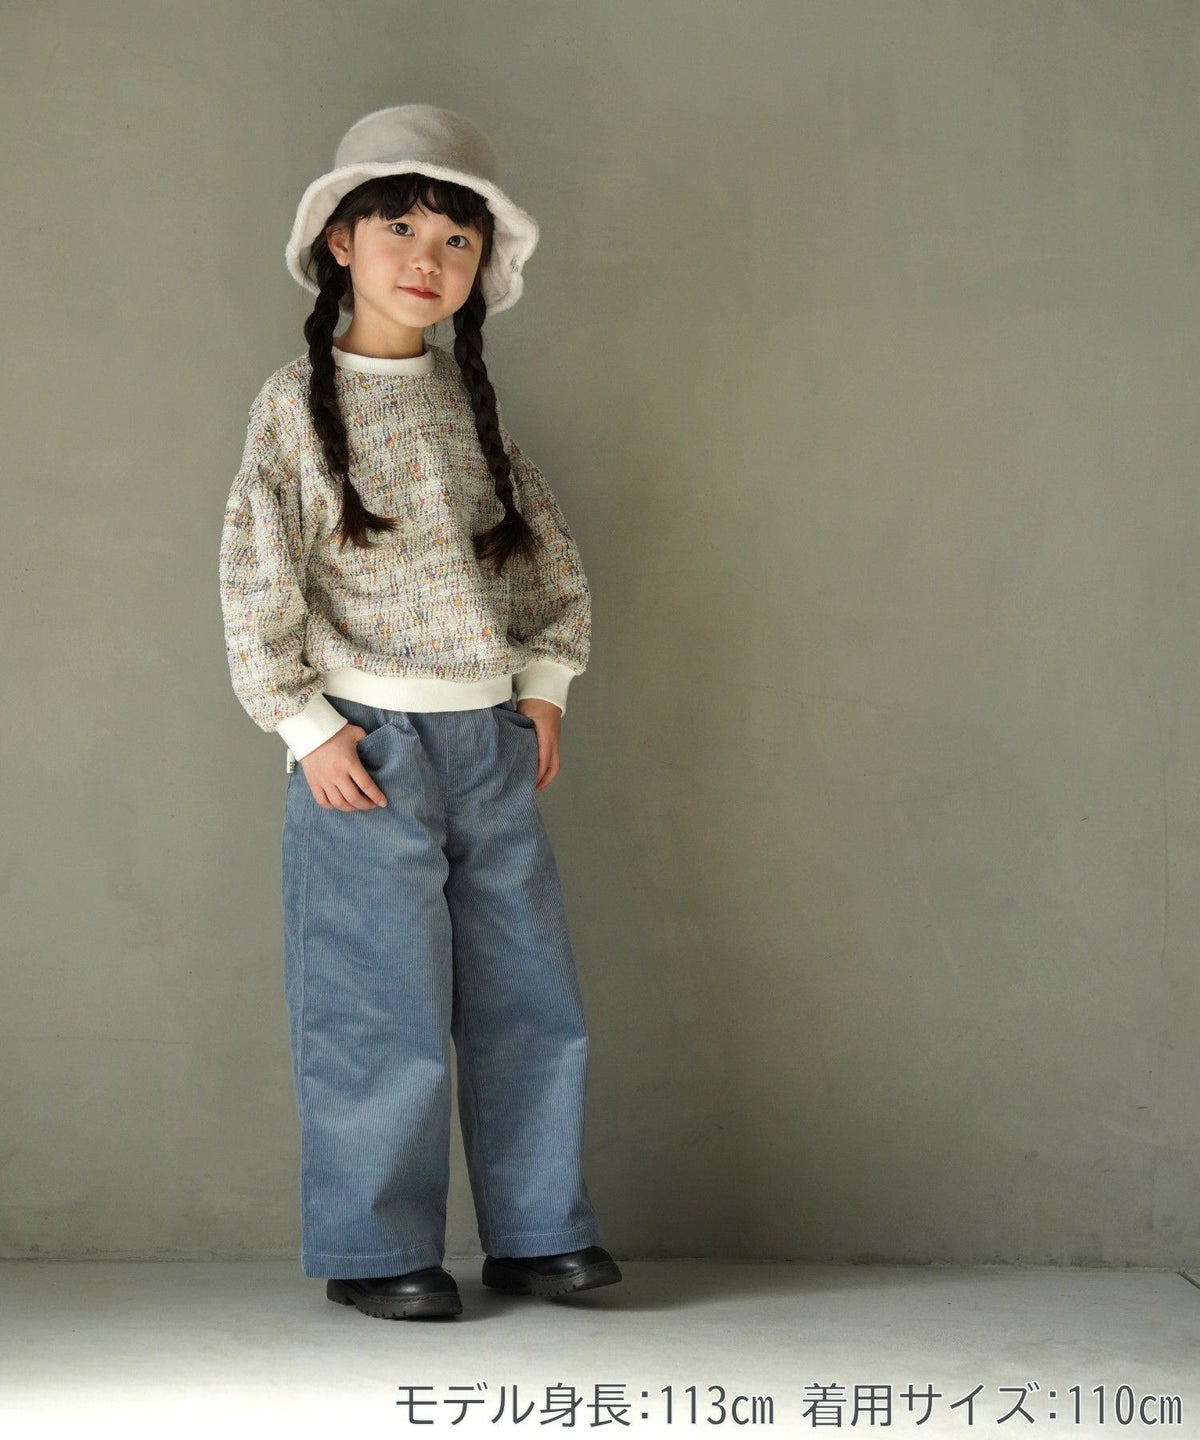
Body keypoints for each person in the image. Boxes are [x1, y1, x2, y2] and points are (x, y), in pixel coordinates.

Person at [218, 104, 620, 1321]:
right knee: (373, 1005)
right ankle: (376, 1246)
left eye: (455, 239)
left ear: (479, 269)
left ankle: (539, 1231)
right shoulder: (295, 408)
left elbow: (544, 564)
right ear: (339, 241)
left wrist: (541, 690)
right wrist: (306, 728)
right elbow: (256, 574)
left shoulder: (470, 410)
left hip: (489, 747)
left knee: (527, 998)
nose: (426, 258)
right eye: (398, 226)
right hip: (367, 750)